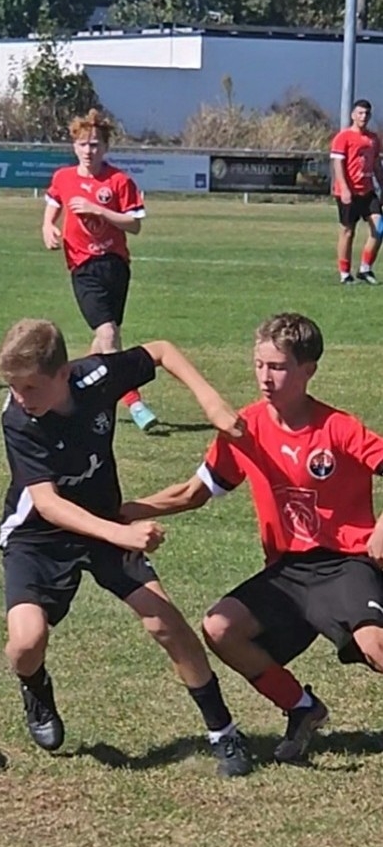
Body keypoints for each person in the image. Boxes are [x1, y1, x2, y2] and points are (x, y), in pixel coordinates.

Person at [121, 312, 383, 765]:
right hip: (287, 572)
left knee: (375, 646)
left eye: (277, 367)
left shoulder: (338, 428)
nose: (264, 377)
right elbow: (193, 493)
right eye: (259, 364)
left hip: (344, 562)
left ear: (308, 370)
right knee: (220, 628)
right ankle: (302, 708)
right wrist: (122, 512)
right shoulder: (246, 427)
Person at [0, 318, 252, 777]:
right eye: (13, 386)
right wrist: (120, 533)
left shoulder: (96, 376)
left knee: (165, 622)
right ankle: (35, 687)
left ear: (63, 373)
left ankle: (224, 731)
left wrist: (210, 401)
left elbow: (161, 350)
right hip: (38, 536)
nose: (20, 396)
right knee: (26, 643)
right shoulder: (18, 419)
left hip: (104, 522)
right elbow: (49, 504)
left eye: (30, 386)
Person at [42, 108, 158, 433]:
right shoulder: (64, 178)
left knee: (105, 338)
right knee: (107, 333)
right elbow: (52, 205)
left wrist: (98, 210)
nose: (89, 150)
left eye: (95, 144)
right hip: (82, 267)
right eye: (83, 144)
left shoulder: (119, 181)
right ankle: (134, 402)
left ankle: (70, 388)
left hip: (115, 266)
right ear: (74, 146)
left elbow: (134, 224)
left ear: (105, 147)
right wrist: (48, 226)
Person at [329, 98, 383, 284]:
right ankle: (345, 273)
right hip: (348, 192)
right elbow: (338, 164)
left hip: (367, 191)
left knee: (379, 227)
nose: (363, 116)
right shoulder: (343, 137)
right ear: (353, 115)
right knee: (348, 232)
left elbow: (376, 165)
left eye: (366, 113)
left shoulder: (373, 139)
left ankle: (365, 269)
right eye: (360, 113)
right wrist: (344, 188)